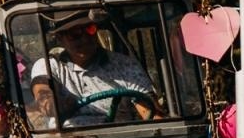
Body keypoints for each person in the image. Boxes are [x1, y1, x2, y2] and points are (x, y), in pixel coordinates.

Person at [29, 12, 158, 128]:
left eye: (90, 30)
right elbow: (43, 96)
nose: (85, 38)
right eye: (75, 34)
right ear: (59, 38)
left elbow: (152, 113)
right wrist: (56, 104)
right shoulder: (49, 66)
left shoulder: (125, 65)